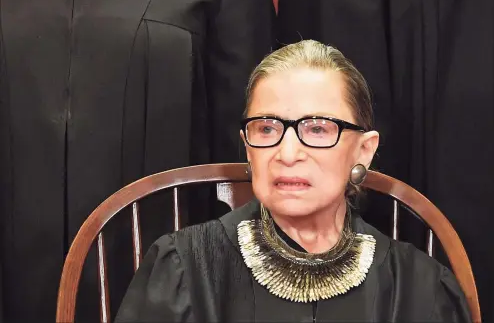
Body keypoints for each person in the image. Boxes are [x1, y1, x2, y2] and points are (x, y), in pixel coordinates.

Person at [114, 40, 472, 322]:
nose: (287, 153)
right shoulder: (183, 270)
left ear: (363, 150)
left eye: (317, 128)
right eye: (267, 128)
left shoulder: (420, 290)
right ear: (248, 148)